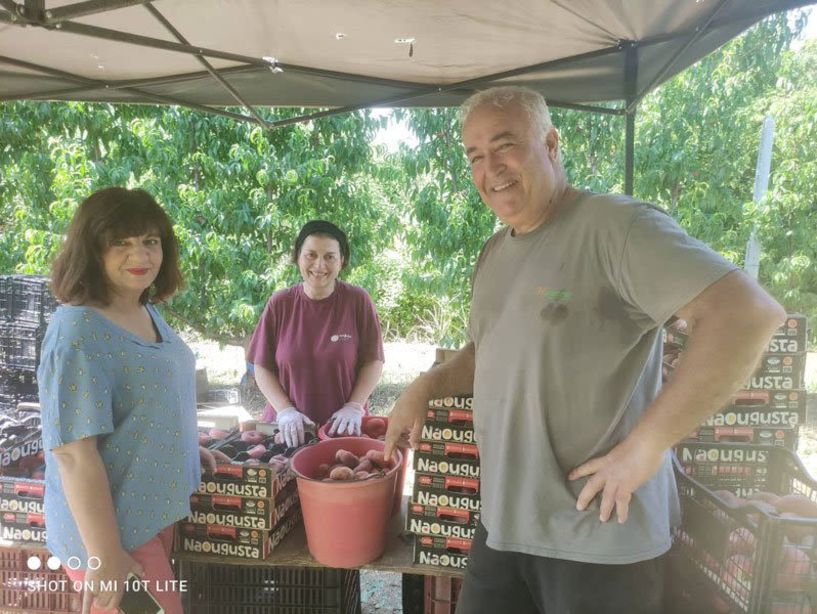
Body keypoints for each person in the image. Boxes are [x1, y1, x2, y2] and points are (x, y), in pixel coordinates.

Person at [384, 86, 785, 613]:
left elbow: (746, 314)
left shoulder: (616, 227)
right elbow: (490, 350)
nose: (491, 168)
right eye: (475, 156)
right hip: (503, 526)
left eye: (505, 146)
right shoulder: (495, 251)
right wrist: (426, 386)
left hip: (600, 541)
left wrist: (647, 447)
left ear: (551, 144)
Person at [38, 187, 226, 614]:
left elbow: (142, 402)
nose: (139, 254)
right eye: (120, 242)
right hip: (113, 534)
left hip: (151, 513)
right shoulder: (78, 333)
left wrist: (178, 447)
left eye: (149, 240)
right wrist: (104, 557)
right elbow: (72, 454)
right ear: (91, 250)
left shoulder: (142, 307)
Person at [246, 220, 385, 447]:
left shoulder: (358, 300)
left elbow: (373, 361)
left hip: (341, 431)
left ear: (342, 261)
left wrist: (354, 406)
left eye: (329, 256)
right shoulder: (280, 303)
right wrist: (285, 410)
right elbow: (262, 366)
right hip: (287, 432)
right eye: (311, 255)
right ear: (297, 257)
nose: (319, 265)